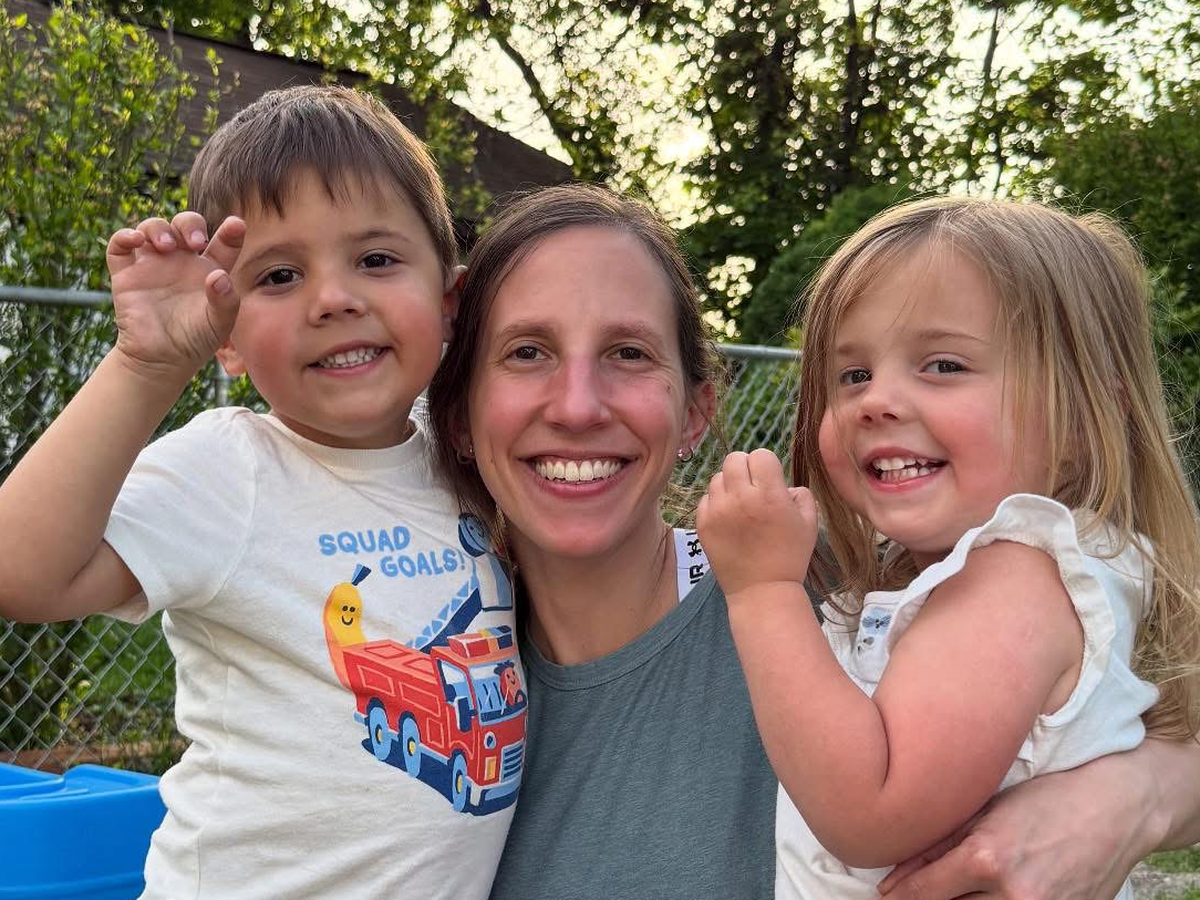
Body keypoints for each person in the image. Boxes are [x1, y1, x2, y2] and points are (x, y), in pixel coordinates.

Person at [426, 183, 1200, 900]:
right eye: (526, 352)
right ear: (457, 413)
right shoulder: (422, 658)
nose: (577, 406)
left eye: (628, 352)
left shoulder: (819, 590)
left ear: (696, 411)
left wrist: (1131, 800)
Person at [0, 86, 526, 900]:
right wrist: (146, 368)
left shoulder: (472, 460)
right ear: (227, 336)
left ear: (448, 301)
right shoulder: (229, 469)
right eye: (279, 275)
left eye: (376, 260)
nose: (334, 298)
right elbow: (20, 572)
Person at [696, 197, 1200, 899]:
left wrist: (762, 592)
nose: (875, 400)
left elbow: (870, 813)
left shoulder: (1015, 582)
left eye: (943, 364)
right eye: (853, 374)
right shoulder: (1006, 572)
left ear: (1083, 421)